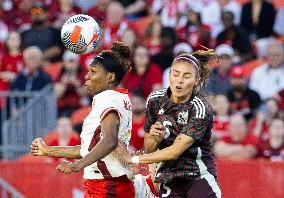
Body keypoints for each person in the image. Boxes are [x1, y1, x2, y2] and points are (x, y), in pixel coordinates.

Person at [30, 41, 135, 197]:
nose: (87, 76)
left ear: (110, 77)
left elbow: (110, 141)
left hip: (108, 186)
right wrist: (47, 150)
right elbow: (89, 149)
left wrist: (77, 166)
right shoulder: (118, 97)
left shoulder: (108, 99)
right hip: (103, 184)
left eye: (93, 71)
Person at [117, 50, 222, 197]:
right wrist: (154, 138)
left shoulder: (200, 107)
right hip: (169, 177)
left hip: (198, 174)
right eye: (176, 74)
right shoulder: (155, 100)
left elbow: (175, 152)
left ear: (196, 80)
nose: (179, 80)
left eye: (186, 76)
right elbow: (148, 148)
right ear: (169, 75)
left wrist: (133, 159)